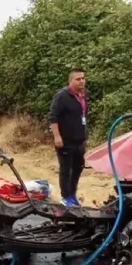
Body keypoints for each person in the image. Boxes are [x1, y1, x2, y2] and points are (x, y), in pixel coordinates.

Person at [49, 68, 88, 207]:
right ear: (70, 81)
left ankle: (72, 194)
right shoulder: (62, 96)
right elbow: (53, 117)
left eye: (83, 78)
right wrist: (57, 136)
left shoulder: (82, 96)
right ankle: (65, 197)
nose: (82, 81)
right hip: (65, 141)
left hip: (79, 141)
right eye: (78, 79)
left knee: (78, 168)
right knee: (66, 169)